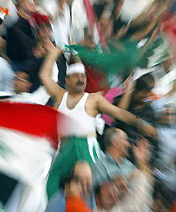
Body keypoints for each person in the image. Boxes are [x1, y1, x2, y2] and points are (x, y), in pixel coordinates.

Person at [40, 48, 157, 199]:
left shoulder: (93, 99)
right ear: (67, 80)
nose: (81, 79)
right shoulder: (60, 94)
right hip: (63, 147)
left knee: (87, 191)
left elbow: (119, 113)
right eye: (76, 76)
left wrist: (140, 123)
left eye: (83, 76)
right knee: (51, 186)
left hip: (85, 148)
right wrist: (54, 52)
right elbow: (44, 76)